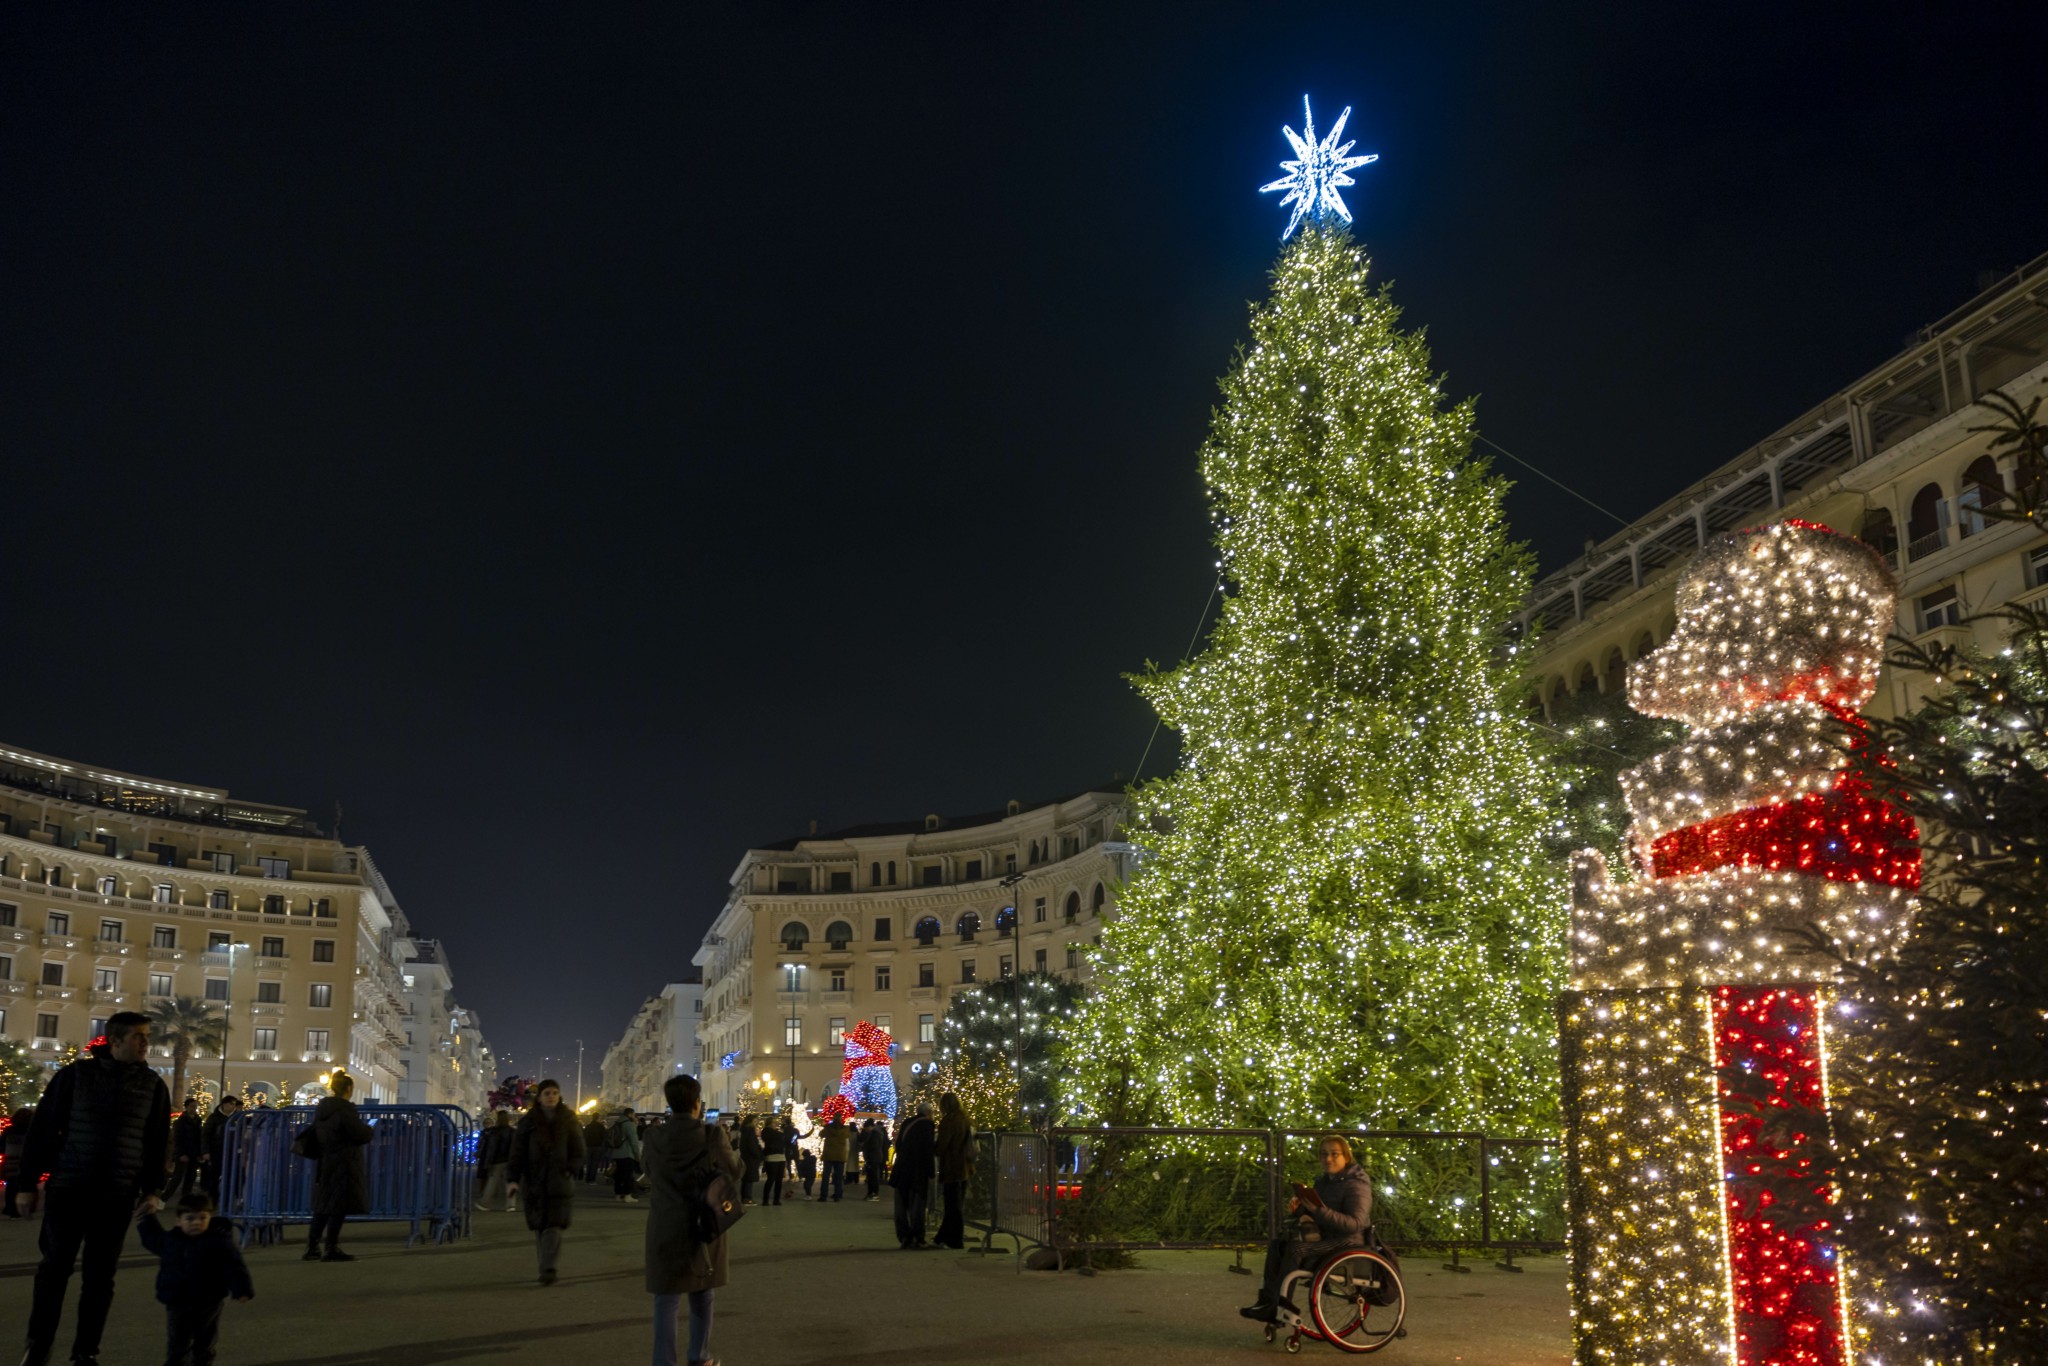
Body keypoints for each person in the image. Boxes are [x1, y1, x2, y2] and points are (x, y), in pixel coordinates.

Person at [21, 1010, 171, 1366]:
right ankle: (38, 1347)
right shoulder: (75, 1077)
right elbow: (42, 1130)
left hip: (116, 1194)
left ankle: (86, 1351)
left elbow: (157, 1142)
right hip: (69, 1188)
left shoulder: (152, 1084)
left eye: (147, 1036)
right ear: (114, 1041)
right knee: (54, 1270)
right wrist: (26, 1184)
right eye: (138, 1036)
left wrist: (152, 1190)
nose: (145, 1043)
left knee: (100, 1277)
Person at [644, 1074, 739, 1366]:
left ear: (670, 1104)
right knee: (702, 1292)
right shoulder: (711, 1135)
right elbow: (732, 1173)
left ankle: (664, 1361)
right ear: (697, 1103)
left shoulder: (653, 1136)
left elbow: (647, 1170)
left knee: (666, 1298)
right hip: (702, 1223)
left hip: (665, 1223)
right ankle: (699, 1356)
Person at [1241, 1134, 1374, 1323]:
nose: (1328, 1159)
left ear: (1346, 1156)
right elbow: (1318, 1213)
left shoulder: (1357, 1185)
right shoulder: (1324, 1182)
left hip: (1348, 1242)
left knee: (1297, 1249)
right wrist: (1300, 1209)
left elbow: (1354, 1224)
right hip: (1327, 1237)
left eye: (1334, 1154)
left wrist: (1318, 1211)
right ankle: (1266, 1301)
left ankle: (1278, 1306)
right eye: (1324, 1154)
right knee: (1277, 1245)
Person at [136, 1189, 253, 1366]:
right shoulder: (172, 1240)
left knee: (205, 1340)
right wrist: (147, 1218)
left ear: (209, 1218)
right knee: (177, 1342)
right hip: (177, 1300)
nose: (196, 1223)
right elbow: (153, 1238)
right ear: (179, 1221)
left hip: (208, 1300)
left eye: (202, 1218)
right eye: (190, 1218)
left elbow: (235, 1267)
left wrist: (241, 1289)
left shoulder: (218, 1242)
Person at [506, 1078, 585, 1286]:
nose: (551, 1097)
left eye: (554, 1093)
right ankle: (545, 1266)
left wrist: (571, 1168)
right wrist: (512, 1179)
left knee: (553, 1225)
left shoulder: (568, 1119)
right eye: (547, 1093)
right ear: (539, 1098)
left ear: (559, 1096)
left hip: (560, 1181)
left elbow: (579, 1150)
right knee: (540, 1226)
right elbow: (517, 1153)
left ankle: (549, 1268)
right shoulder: (528, 1123)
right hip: (535, 1181)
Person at [306, 1072, 373, 1262]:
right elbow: (359, 1134)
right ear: (349, 1089)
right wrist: (369, 1129)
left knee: (323, 1205)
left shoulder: (323, 1108)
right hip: (344, 1161)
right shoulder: (345, 1109)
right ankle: (331, 1247)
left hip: (326, 1160)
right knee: (338, 1206)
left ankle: (312, 1246)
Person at [889, 1103, 936, 1249]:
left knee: (901, 1204)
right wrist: (931, 1171)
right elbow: (927, 1150)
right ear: (928, 1113)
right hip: (917, 1170)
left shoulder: (907, 1123)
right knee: (917, 1204)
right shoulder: (927, 1125)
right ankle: (917, 1236)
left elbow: (899, 1145)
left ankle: (904, 1236)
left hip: (902, 1168)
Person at [932, 1092, 973, 1249]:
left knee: (952, 1206)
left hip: (952, 1167)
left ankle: (954, 1239)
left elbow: (942, 1146)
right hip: (965, 1167)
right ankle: (943, 1237)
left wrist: (934, 1148)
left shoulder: (949, 1121)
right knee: (956, 1204)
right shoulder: (965, 1119)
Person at [198, 1097, 240, 1203]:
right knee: (214, 1177)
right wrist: (205, 1151)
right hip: (216, 1151)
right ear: (224, 1104)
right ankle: (213, 1200)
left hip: (231, 1152)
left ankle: (226, 1201)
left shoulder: (237, 1118)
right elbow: (205, 1135)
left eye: (234, 1104)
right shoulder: (214, 1118)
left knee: (230, 1177)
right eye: (231, 1104)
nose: (233, 1106)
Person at [476, 1111, 517, 1212]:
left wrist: (489, 1161)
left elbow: (491, 1148)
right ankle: (511, 1205)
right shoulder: (512, 1131)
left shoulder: (494, 1132)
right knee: (510, 1182)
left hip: (497, 1161)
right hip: (510, 1160)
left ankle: (484, 1203)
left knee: (492, 1183)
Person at [3, 1105, 35, 1218]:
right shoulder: (32, 1131)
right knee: (27, 1182)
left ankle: (10, 1208)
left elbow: (2, 1145)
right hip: (26, 1160)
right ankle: (27, 1207)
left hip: (11, 1161)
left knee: (11, 1185)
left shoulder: (8, 1131)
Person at [168, 1101, 204, 1198]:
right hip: (184, 1152)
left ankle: (186, 1197)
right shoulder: (181, 1121)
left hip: (194, 1152)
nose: (194, 1108)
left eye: (195, 1107)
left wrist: (200, 1153)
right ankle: (164, 1198)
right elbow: (178, 1139)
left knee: (191, 1177)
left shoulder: (198, 1120)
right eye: (192, 1106)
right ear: (186, 1107)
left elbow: (200, 1138)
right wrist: (180, 1154)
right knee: (177, 1177)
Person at [611, 1108, 643, 1203]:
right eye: (634, 1115)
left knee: (618, 1175)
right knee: (628, 1175)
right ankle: (627, 1195)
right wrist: (638, 1156)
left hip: (616, 1153)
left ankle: (617, 1195)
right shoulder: (629, 1124)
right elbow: (634, 1142)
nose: (634, 1117)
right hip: (626, 1153)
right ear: (630, 1114)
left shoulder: (617, 1123)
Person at [819, 1117, 850, 1202]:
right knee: (838, 1177)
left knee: (826, 1176)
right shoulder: (845, 1130)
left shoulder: (828, 1128)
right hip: (840, 1155)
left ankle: (823, 1196)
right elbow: (848, 1136)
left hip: (828, 1154)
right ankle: (837, 1196)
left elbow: (821, 1134)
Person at [758, 1117, 786, 1207]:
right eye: (774, 1122)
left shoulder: (776, 1132)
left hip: (781, 1156)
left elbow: (782, 1138)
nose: (776, 1124)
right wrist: (780, 1134)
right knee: (771, 1179)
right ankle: (766, 1199)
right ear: (769, 1123)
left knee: (779, 1179)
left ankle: (776, 1199)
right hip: (771, 1157)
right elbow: (779, 1136)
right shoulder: (766, 1131)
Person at [736, 1118, 762, 1206]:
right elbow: (752, 1146)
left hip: (745, 1157)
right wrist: (758, 1154)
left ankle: (744, 1197)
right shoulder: (750, 1131)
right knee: (749, 1178)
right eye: (755, 1121)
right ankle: (748, 1198)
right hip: (751, 1158)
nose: (756, 1123)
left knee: (746, 1178)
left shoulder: (744, 1131)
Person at [583, 1108, 611, 1186]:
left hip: (588, 1146)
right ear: (598, 1118)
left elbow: (584, 1136)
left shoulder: (588, 1126)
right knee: (594, 1164)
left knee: (589, 1163)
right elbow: (605, 1137)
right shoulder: (600, 1127)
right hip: (597, 1147)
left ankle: (587, 1179)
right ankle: (592, 1180)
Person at [861, 1120, 888, 1201]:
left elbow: (873, 1145)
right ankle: (871, 1193)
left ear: (869, 1127)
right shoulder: (876, 1133)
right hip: (874, 1157)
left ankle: (873, 1193)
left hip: (874, 1157)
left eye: (866, 1128)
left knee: (873, 1176)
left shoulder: (875, 1134)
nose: (866, 1130)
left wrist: (865, 1146)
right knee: (871, 1176)